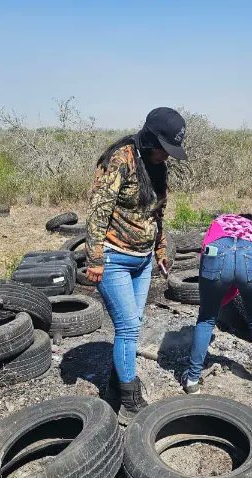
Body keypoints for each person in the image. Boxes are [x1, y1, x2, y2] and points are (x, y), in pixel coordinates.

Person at [85, 107, 187, 424]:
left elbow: (158, 213)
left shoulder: (158, 168)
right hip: (114, 257)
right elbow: (99, 210)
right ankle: (129, 400)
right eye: (163, 149)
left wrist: (160, 248)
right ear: (149, 139)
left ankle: (118, 383)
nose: (166, 157)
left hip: (142, 261)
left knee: (135, 323)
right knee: (128, 328)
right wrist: (95, 257)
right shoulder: (121, 158)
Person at [182, 213, 252, 394]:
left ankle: (192, 379)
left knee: (206, 318)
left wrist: (218, 297)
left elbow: (204, 252)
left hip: (217, 252)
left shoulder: (220, 221)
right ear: (251, 221)